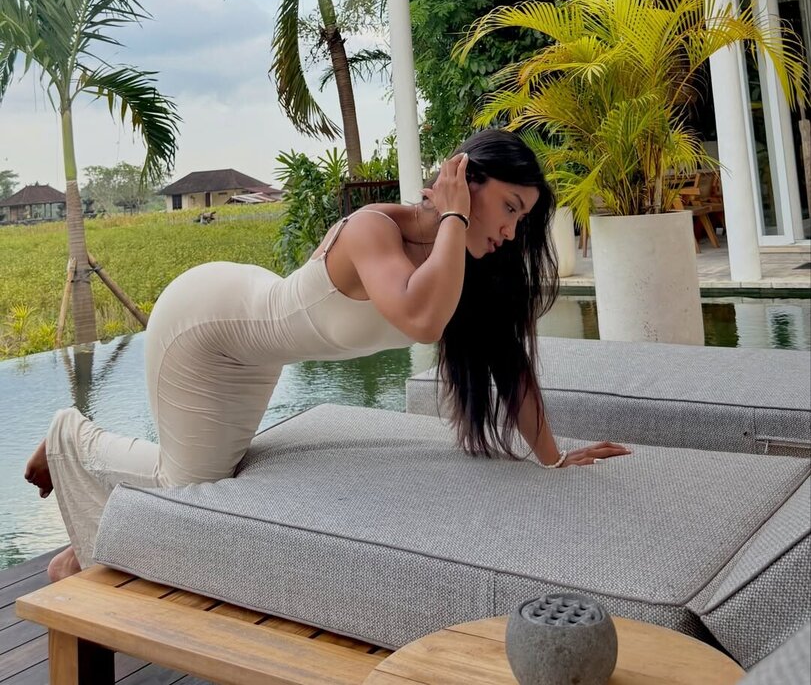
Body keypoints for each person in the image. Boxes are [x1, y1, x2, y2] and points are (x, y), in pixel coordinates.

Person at [25, 129, 630, 582]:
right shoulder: (375, 228)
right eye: (510, 209)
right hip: (207, 326)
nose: (512, 232)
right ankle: (70, 440)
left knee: (204, 478)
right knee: (187, 484)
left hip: (257, 350)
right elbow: (420, 318)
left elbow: (509, 364)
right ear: (464, 178)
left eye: (523, 220)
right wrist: (452, 214)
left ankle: (83, 550)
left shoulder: (460, 265)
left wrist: (552, 459)